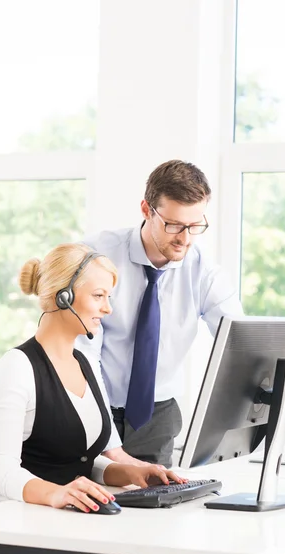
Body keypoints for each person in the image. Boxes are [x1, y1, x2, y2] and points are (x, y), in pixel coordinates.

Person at [0, 243, 186, 514]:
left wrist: (130, 473)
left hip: (71, 516)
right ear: (62, 296)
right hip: (19, 517)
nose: (108, 309)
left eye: (108, 297)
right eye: (99, 296)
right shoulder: (18, 366)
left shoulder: (86, 362)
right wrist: (57, 493)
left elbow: (81, 462)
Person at [76, 160, 244, 468]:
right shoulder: (95, 256)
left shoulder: (204, 271)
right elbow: (80, 351)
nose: (184, 239)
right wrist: (111, 444)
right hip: (91, 403)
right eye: (174, 225)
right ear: (146, 209)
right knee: (84, 503)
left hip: (158, 416)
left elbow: (240, 342)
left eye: (195, 226)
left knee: (153, 509)